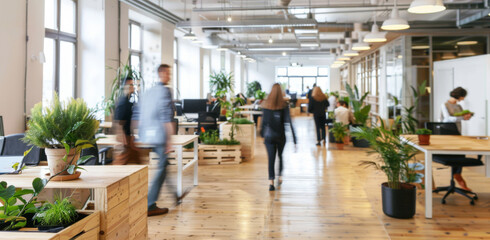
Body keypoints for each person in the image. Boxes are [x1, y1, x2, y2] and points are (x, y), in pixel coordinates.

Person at [137, 64, 175, 216]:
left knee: (164, 165)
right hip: (159, 135)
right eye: (168, 73)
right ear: (161, 73)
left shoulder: (149, 91)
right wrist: (169, 139)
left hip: (146, 134)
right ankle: (150, 204)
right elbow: (166, 116)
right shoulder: (165, 91)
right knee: (161, 167)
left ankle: (176, 194)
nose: (169, 76)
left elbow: (139, 113)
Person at [261, 83, 296, 191]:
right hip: (281, 136)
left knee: (271, 159)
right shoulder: (284, 105)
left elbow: (263, 123)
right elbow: (289, 122)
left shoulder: (266, 105)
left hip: (269, 137)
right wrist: (295, 139)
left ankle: (271, 183)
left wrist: (262, 135)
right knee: (280, 156)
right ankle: (279, 177)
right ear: (281, 92)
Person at [440, 87, 473, 191]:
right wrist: (462, 117)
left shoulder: (459, 106)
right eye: (463, 96)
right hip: (447, 132)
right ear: (459, 95)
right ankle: (457, 175)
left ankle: (457, 174)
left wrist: (467, 116)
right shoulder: (444, 105)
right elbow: (447, 118)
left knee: (461, 154)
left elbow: (461, 118)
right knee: (454, 155)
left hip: (458, 132)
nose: (463, 99)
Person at [113, 76, 140, 165]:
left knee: (136, 160)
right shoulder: (123, 102)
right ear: (125, 86)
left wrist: (132, 135)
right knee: (120, 163)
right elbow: (118, 122)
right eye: (130, 84)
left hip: (128, 137)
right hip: (124, 139)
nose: (133, 87)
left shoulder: (129, 100)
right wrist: (122, 137)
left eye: (133, 85)